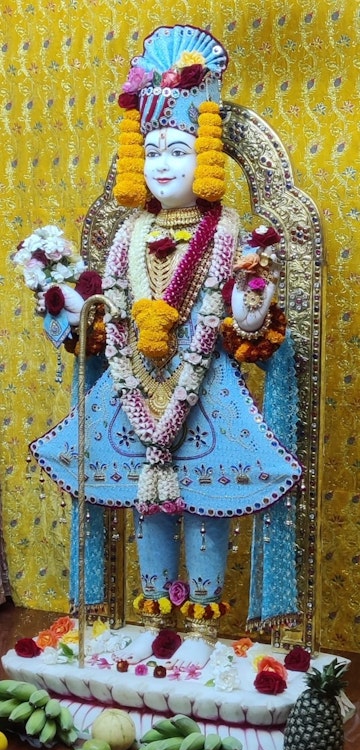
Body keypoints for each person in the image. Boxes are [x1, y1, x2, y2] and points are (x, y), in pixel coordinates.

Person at [30, 25, 302, 667]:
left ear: (203, 159)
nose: (164, 164)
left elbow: (244, 318)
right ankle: (159, 622)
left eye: (178, 149)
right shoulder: (130, 233)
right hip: (133, 388)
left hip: (203, 388)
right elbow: (110, 314)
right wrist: (72, 303)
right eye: (153, 151)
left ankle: (204, 627)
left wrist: (250, 303)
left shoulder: (227, 227)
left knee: (204, 498)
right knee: (145, 502)